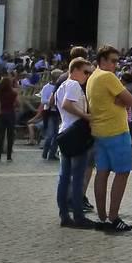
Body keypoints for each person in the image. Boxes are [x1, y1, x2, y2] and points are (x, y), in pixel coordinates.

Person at [87, 45, 132, 230]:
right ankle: (114, 217)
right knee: (122, 173)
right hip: (115, 131)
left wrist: (119, 101)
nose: (117, 64)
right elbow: (130, 100)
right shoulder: (108, 77)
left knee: (102, 173)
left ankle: (102, 217)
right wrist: (121, 102)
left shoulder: (93, 77)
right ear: (102, 60)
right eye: (113, 60)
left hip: (98, 131)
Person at [54, 58, 96, 228]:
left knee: (64, 176)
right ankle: (78, 215)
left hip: (64, 131)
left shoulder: (61, 87)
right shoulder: (73, 84)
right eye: (86, 72)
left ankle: (64, 214)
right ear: (75, 70)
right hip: (75, 133)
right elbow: (67, 105)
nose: (87, 76)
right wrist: (87, 116)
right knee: (77, 177)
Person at [0, 73, 18, 162]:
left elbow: (0, 103)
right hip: (11, 114)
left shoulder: (0, 93)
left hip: (2, 114)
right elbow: (18, 103)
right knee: (10, 136)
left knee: (1, 136)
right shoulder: (13, 93)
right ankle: (9, 156)